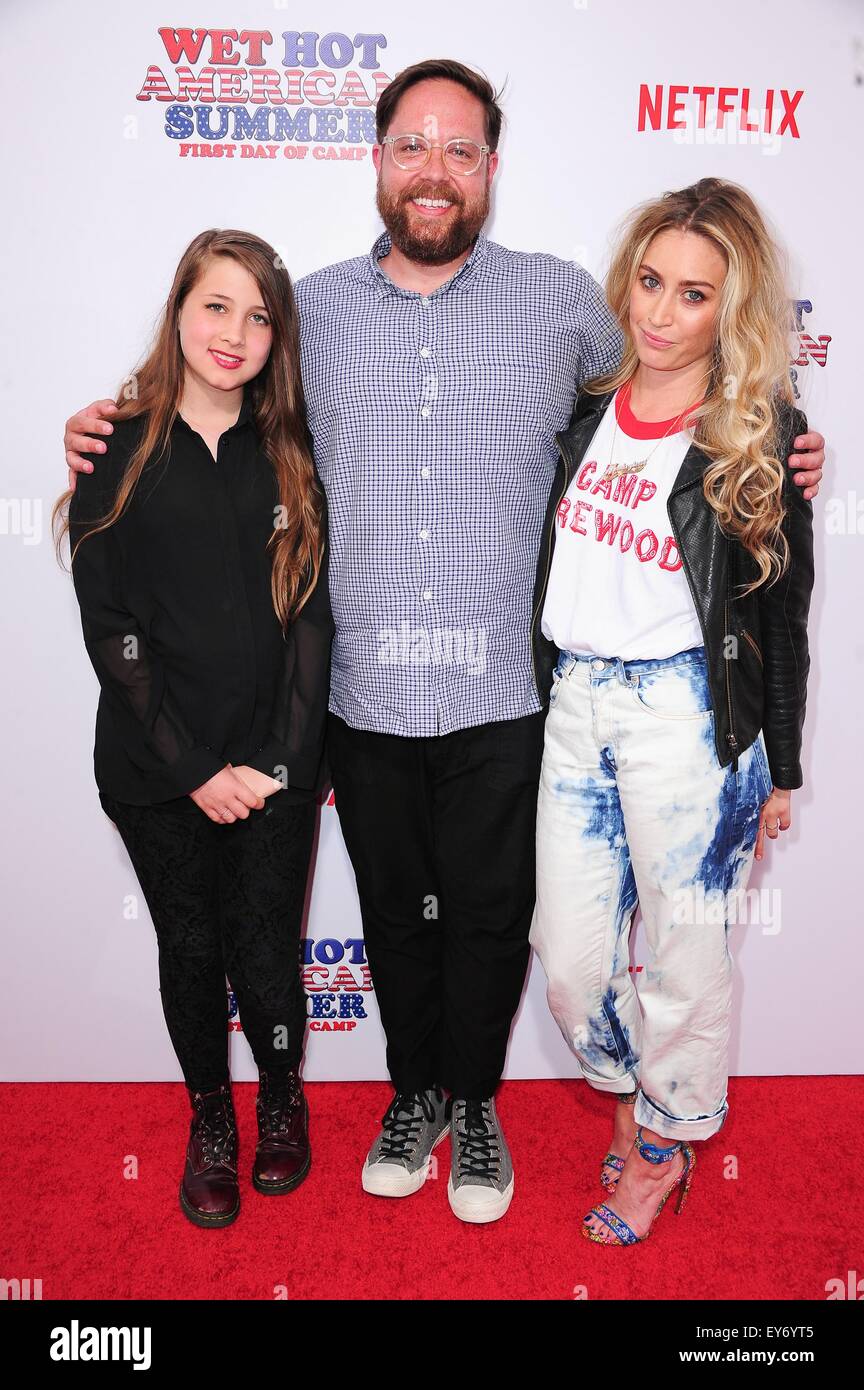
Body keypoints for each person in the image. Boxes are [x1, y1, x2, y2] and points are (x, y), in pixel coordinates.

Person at [62, 61, 825, 1226]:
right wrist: (111, 419)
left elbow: (670, 390)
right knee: (392, 920)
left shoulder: (565, 300)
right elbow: (219, 391)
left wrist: (784, 434)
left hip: (513, 699)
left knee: (488, 924)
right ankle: (410, 1091)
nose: (434, 170)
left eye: (459, 150)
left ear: (489, 171)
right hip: (357, 698)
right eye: (411, 145)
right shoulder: (307, 311)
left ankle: (476, 1104)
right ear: (376, 161)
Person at [528, 177, 815, 1245]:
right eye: (649, 282)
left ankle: (660, 1145)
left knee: (688, 961)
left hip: (689, 722)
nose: (659, 312)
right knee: (567, 960)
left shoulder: (760, 437)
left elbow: (783, 614)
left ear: (727, 312)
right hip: (575, 706)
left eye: (693, 295)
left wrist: (778, 767)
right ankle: (635, 1095)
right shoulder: (585, 413)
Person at [54, 229, 333, 1228]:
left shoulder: (293, 452)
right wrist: (191, 768)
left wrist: (280, 762)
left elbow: (309, 616)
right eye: (217, 305)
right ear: (179, 310)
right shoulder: (114, 447)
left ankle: (282, 1097)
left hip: (272, 769)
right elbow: (110, 627)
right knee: (191, 942)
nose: (236, 332)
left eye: (259, 316)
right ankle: (211, 1116)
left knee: (267, 946)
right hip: (154, 766)